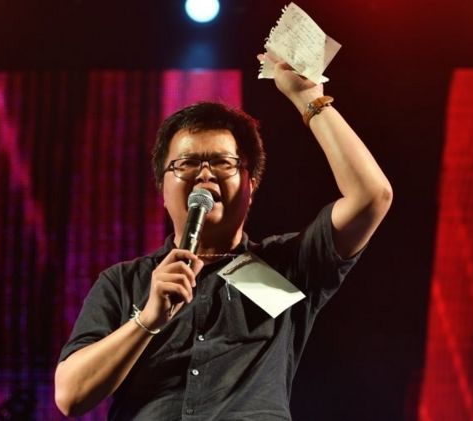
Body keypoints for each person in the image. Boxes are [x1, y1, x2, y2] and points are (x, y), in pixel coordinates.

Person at [54, 55, 392, 419]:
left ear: (252, 183)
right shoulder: (125, 281)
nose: (205, 175)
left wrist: (309, 99)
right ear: (162, 188)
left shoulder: (287, 265)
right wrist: (147, 319)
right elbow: (70, 395)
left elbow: (372, 196)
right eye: (186, 164)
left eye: (223, 163)